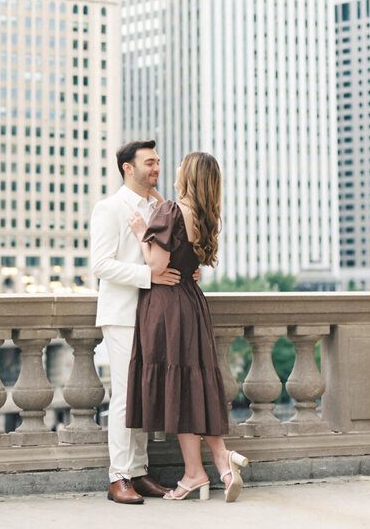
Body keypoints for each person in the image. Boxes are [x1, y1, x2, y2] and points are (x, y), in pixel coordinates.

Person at [125, 151, 249, 502]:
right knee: (194, 385)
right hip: (193, 303)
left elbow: (157, 264)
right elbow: (192, 262)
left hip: (167, 307)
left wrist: (140, 234)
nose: (173, 170)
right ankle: (220, 461)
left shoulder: (169, 212)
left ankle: (197, 472)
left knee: (178, 388)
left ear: (188, 174)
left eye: (179, 166)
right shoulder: (205, 215)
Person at [90, 140, 181, 505]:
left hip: (153, 315)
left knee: (144, 397)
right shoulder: (108, 208)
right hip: (123, 314)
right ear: (128, 167)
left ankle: (139, 472)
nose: (157, 167)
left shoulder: (158, 207)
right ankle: (119, 476)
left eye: (158, 161)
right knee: (126, 398)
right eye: (149, 162)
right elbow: (100, 265)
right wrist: (149, 277)